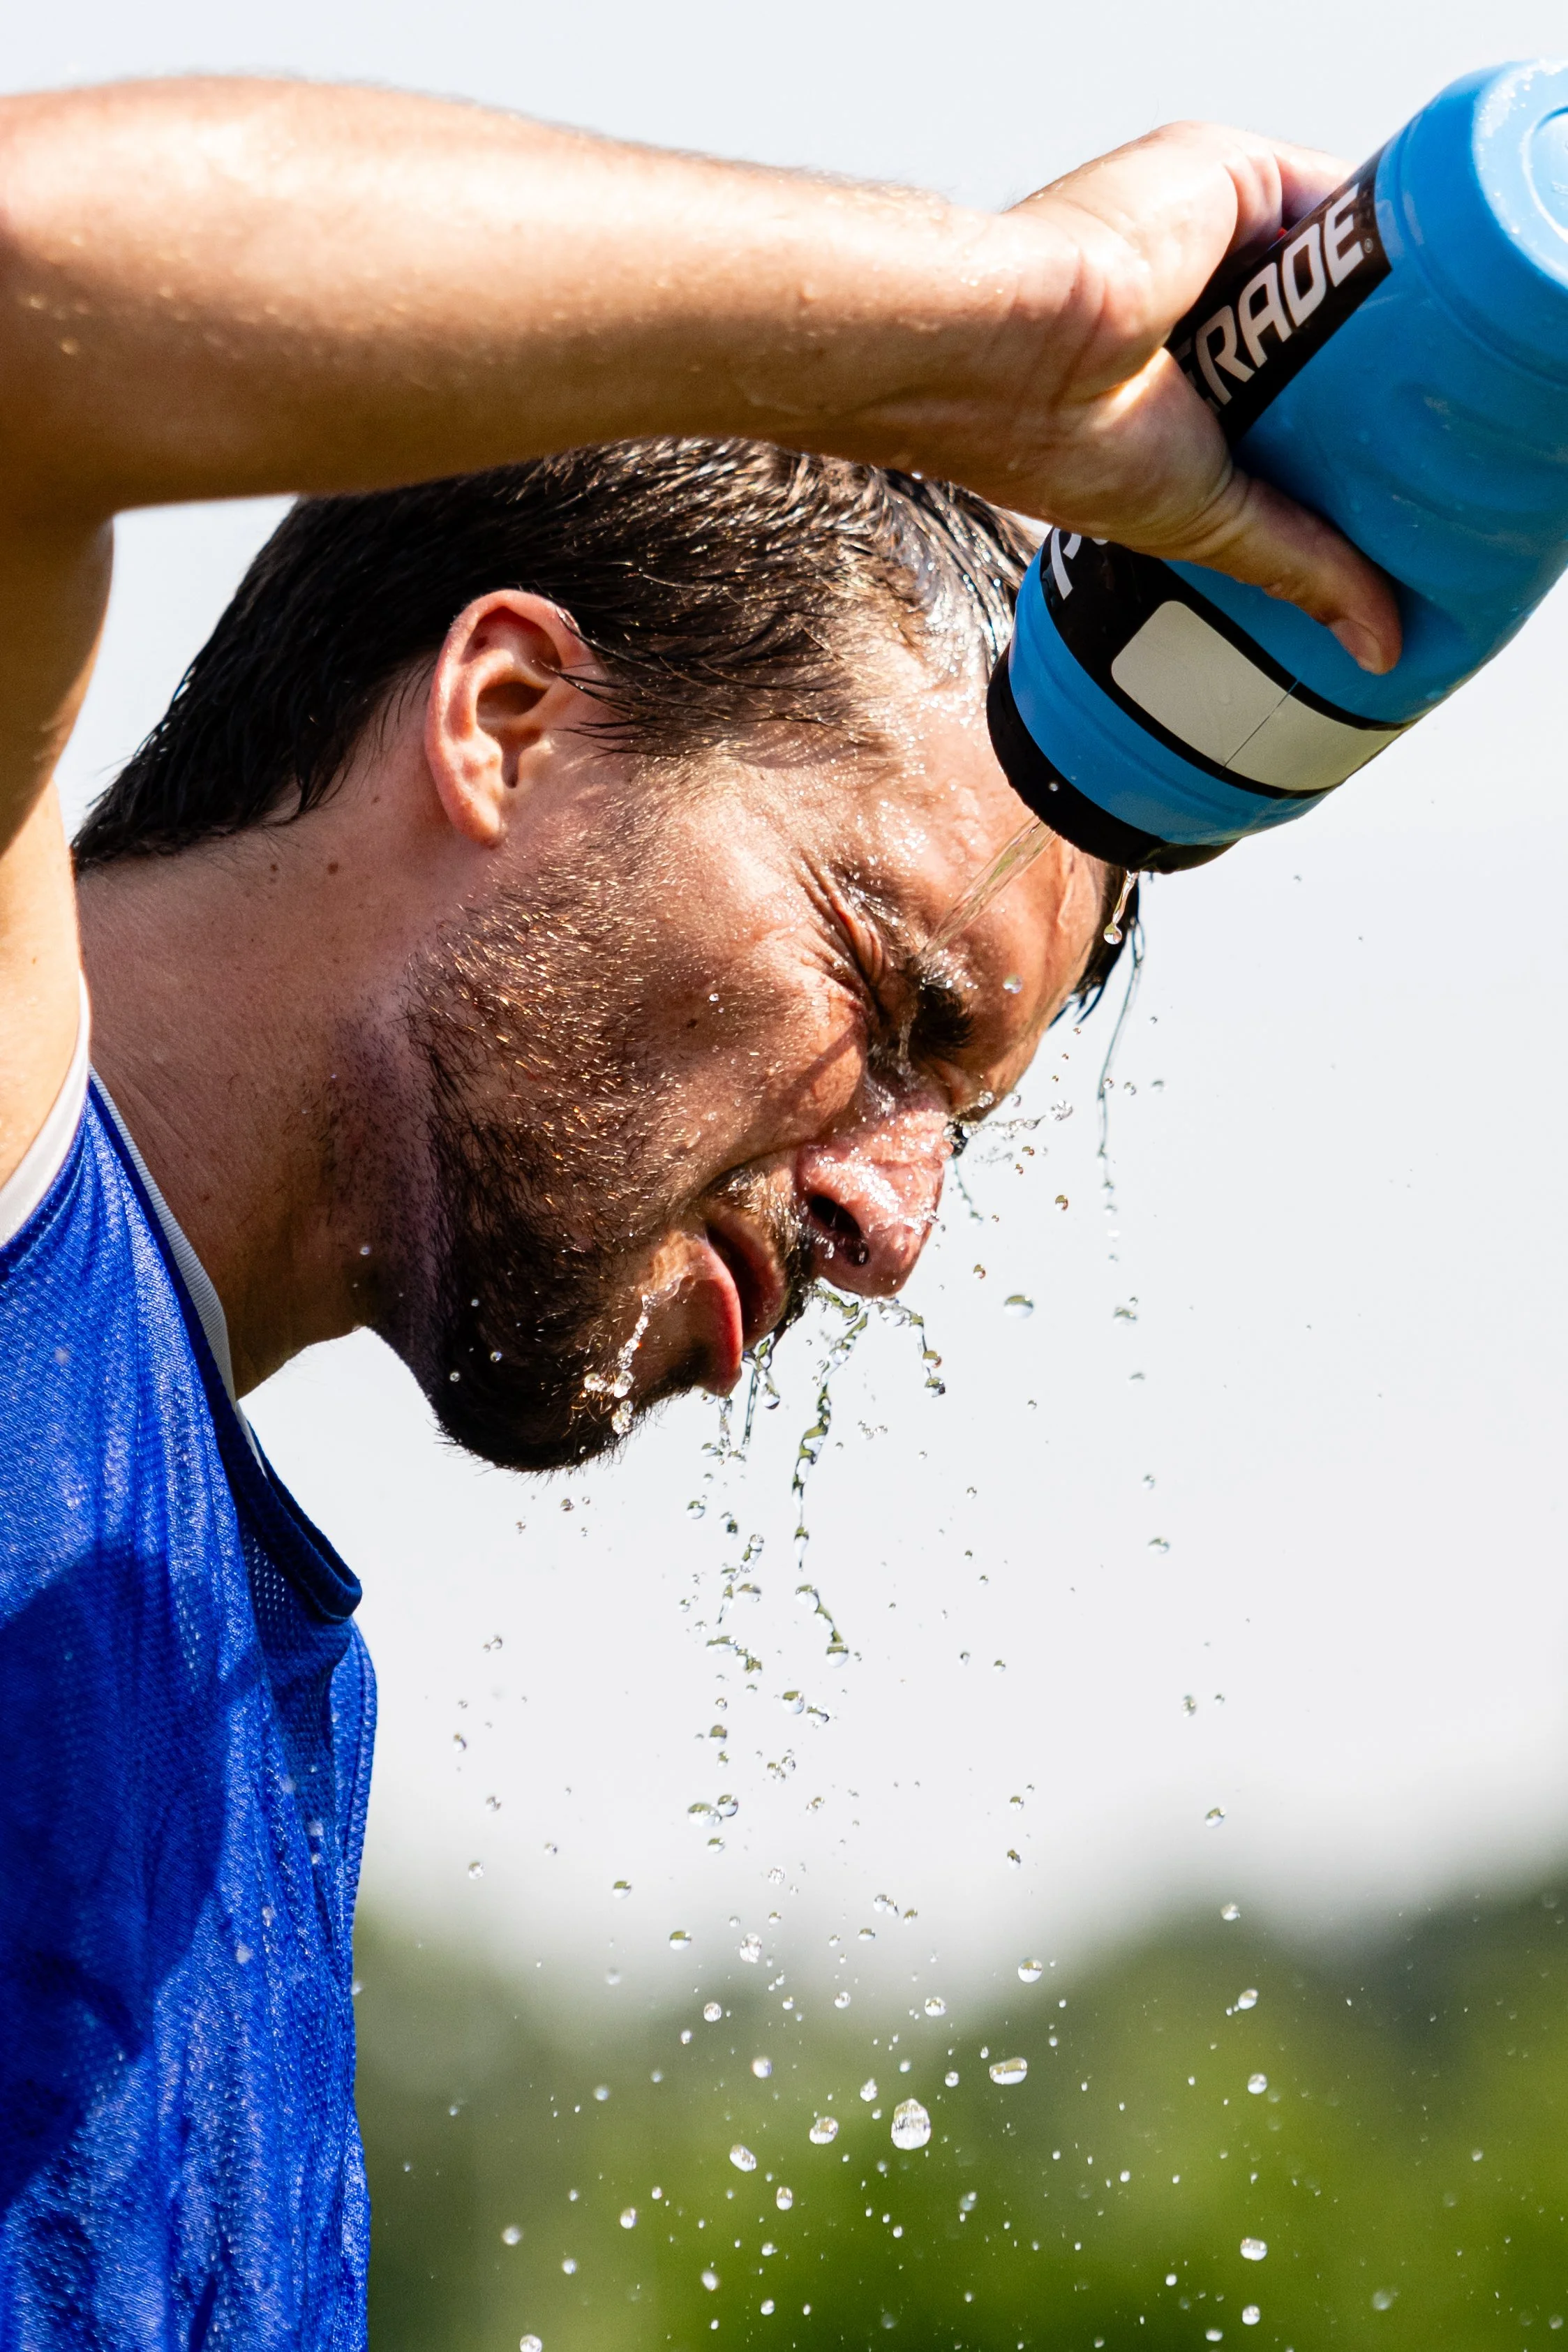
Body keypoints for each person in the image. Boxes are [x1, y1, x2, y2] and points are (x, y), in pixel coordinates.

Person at [0, 75, 1398, 2344]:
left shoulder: (229, 1671)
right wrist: (993, 328)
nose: (892, 1223)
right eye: (888, 995)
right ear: (514, 717)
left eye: (959, 1113)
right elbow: (23, 280)